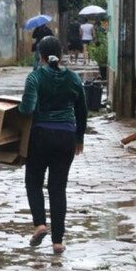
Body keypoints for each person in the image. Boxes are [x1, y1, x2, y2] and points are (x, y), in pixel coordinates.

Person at [18, 36, 87, 254]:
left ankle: (40, 224)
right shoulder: (74, 78)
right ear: (61, 53)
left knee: (33, 182)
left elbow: (27, 109)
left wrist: (17, 109)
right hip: (66, 137)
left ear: (41, 56)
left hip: (41, 136)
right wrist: (79, 138)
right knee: (58, 188)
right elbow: (82, 110)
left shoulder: (35, 78)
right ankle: (58, 241)